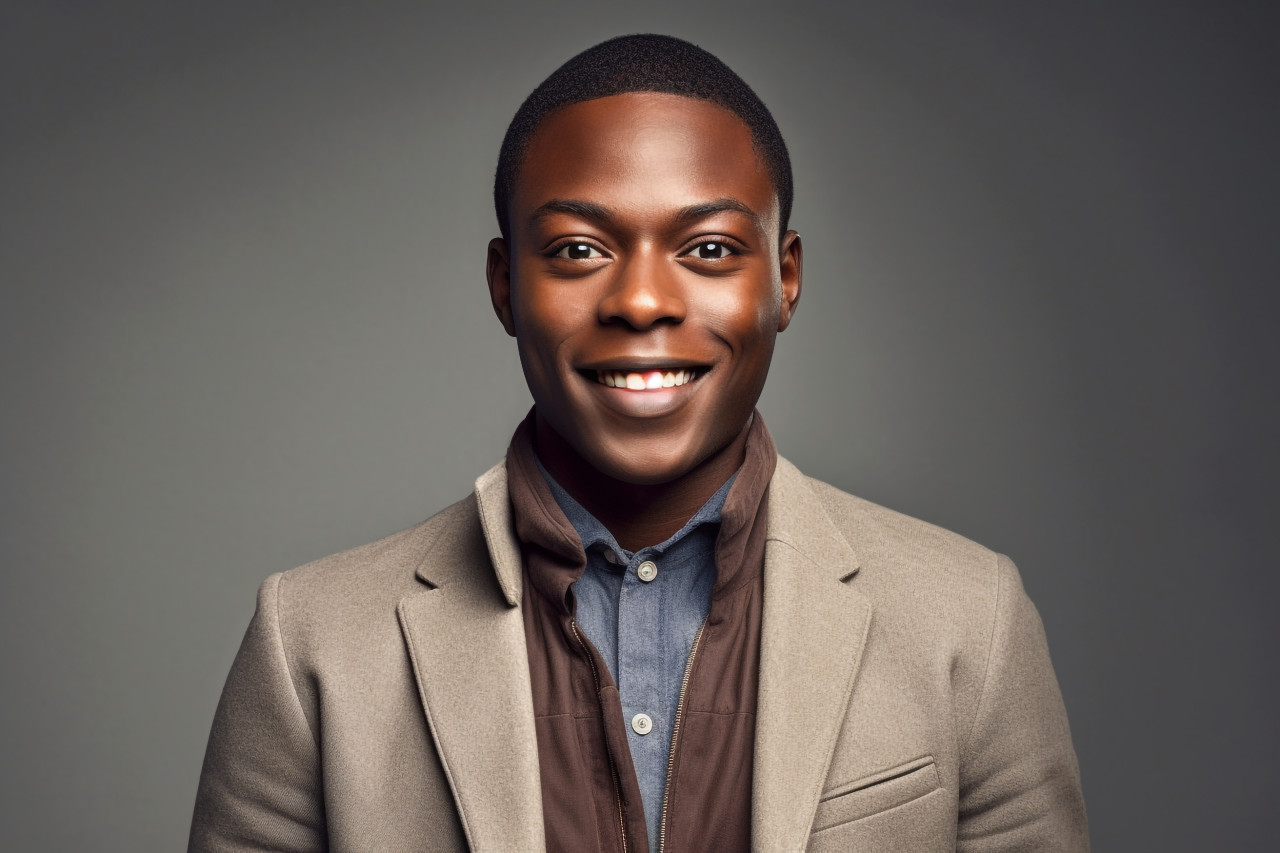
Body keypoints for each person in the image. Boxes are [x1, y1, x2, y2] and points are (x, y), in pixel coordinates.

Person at [190, 34, 1088, 852]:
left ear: (785, 280)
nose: (643, 300)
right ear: (505, 286)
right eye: (579, 250)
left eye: (709, 249)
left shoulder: (970, 622)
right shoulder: (312, 645)